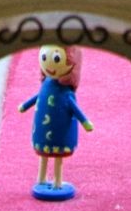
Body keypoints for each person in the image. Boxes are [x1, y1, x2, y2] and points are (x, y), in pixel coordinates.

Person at [20, 43, 95, 201]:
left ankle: (57, 182)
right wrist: (25, 105)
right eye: (44, 57)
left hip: (60, 132)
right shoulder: (46, 85)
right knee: (44, 155)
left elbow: (73, 107)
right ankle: (41, 179)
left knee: (58, 157)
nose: (49, 64)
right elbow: (38, 97)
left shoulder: (65, 92)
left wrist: (85, 121)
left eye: (55, 58)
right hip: (42, 132)